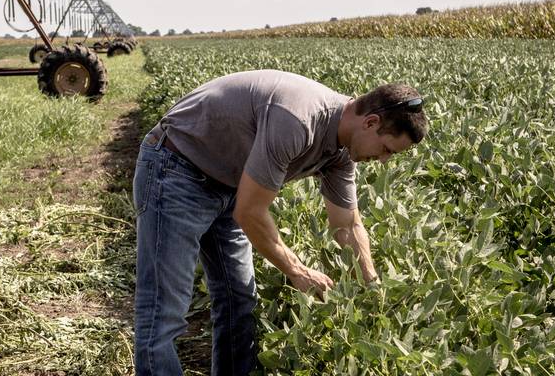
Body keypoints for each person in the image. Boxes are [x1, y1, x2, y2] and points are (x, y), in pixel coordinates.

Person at [132, 69, 428, 375]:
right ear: (370, 122)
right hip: (176, 169)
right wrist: (297, 270)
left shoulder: (342, 152)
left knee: (239, 298)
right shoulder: (298, 120)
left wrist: (372, 284)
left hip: (230, 184)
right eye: (386, 150)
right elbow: (249, 213)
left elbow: (348, 225)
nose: (382, 161)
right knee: (163, 311)